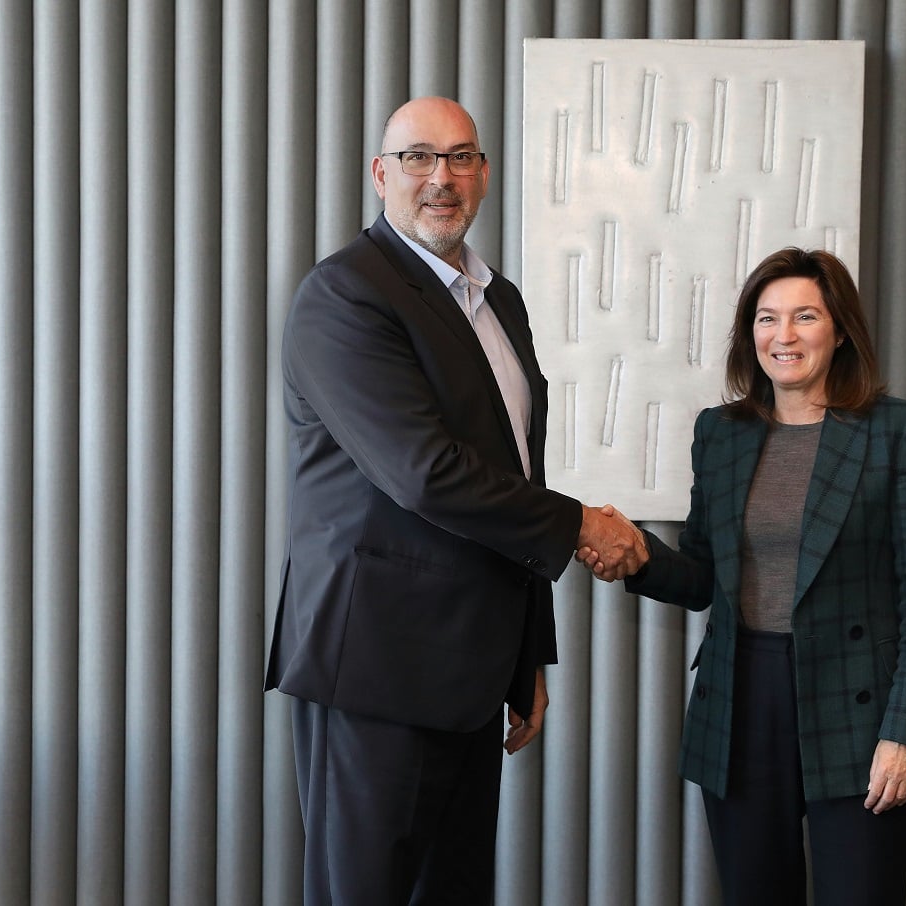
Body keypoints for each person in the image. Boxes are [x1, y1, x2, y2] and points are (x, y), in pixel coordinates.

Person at [264, 96, 646, 905]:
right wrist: (581, 523)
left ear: (483, 174)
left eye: (461, 157)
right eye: (418, 157)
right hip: (377, 669)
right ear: (381, 175)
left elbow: (512, 475)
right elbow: (425, 472)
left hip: (471, 671)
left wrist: (525, 650)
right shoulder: (345, 294)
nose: (442, 177)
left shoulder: (496, 300)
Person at [580, 248, 906, 905]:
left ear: (840, 331)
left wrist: (905, 732)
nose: (784, 335)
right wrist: (639, 557)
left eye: (805, 316)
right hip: (741, 702)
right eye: (766, 318)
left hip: (859, 709)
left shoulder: (894, 430)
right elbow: (705, 576)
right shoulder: (720, 433)